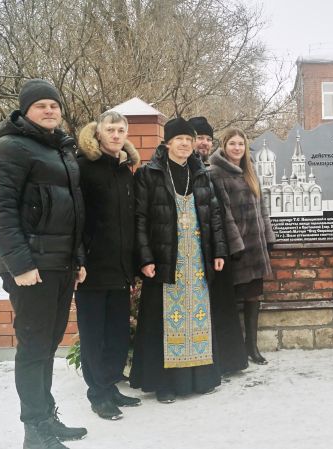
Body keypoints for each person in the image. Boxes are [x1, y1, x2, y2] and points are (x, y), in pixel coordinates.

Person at [0, 79, 87, 448]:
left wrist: (78, 259)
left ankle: (46, 415)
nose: (49, 111)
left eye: (54, 105)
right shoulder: (9, 148)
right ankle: (34, 429)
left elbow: (73, 212)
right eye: (41, 105)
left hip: (61, 266)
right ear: (25, 110)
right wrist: (19, 265)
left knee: (48, 345)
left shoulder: (60, 149)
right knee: (32, 348)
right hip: (32, 270)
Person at [129, 117, 227, 403]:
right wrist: (145, 258)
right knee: (164, 321)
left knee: (198, 318)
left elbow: (214, 216)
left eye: (189, 139)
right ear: (167, 142)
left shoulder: (201, 173)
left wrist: (219, 251)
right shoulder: (149, 174)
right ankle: (166, 385)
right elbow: (140, 219)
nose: (185, 143)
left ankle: (201, 378)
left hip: (196, 258)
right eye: (179, 139)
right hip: (165, 259)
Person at [75, 111, 142, 420]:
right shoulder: (83, 168)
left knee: (116, 333)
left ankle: (110, 386)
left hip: (120, 269)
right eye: (110, 129)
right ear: (98, 133)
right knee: (94, 335)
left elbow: (129, 222)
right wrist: (78, 259)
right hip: (91, 269)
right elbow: (74, 220)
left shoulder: (125, 171)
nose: (116, 135)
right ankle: (97, 393)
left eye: (121, 130)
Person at [208, 128, 275, 368]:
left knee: (253, 298)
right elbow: (223, 213)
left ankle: (252, 348)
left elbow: (262, 208)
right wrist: (236, 246)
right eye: (232, 144)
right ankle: (230, 351)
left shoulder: (250, 170)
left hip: (256, 249)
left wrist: (268, 237)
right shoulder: (215, 173)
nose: (237, 148)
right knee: (232, 301)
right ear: (224, 146)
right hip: (237, 251)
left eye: (241, 144)